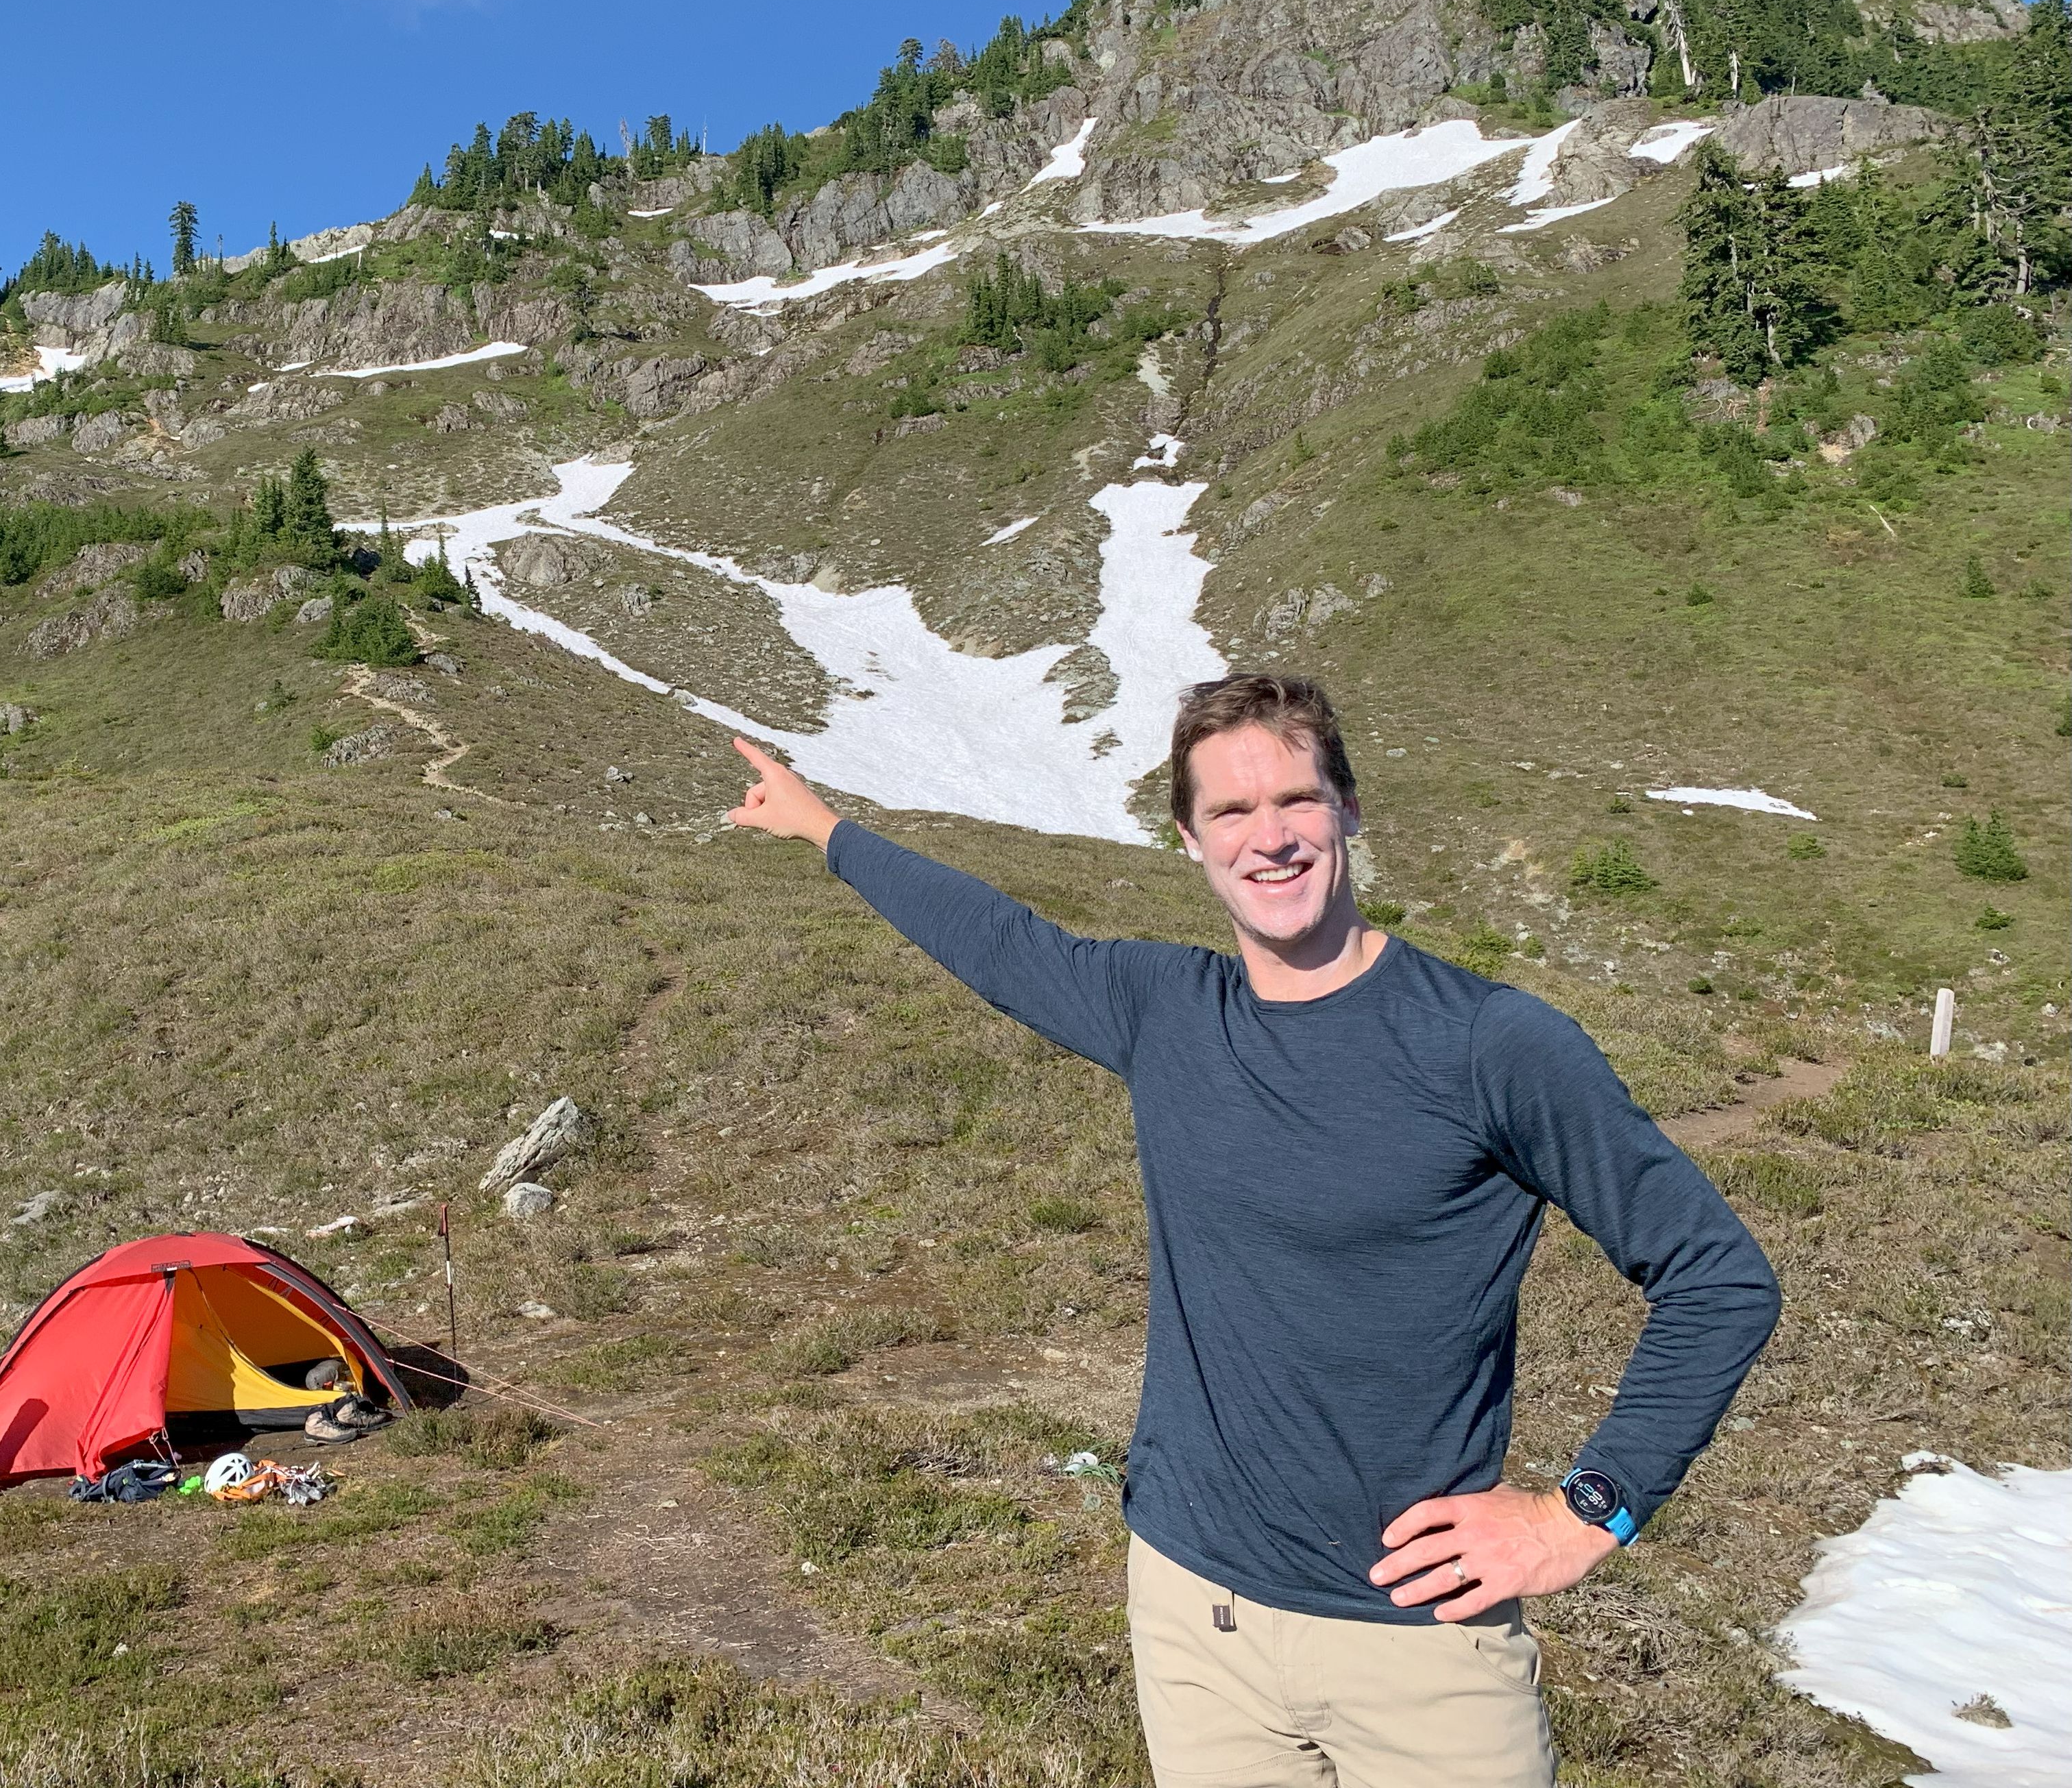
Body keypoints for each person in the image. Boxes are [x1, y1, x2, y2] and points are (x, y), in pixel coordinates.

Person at [726, 674, 1781, 1787]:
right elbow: (1001, 942)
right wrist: (827, 831)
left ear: (1349, 812)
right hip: (1194, 1615)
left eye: (1296, 801)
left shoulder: (1491, 1046)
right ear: (1188, 838)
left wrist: (1583, 1517)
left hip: (1415, 1643)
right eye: (1231, 813)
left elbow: (1717, 1280)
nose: (1268, 839)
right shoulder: (1166, 1010)